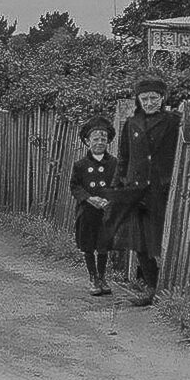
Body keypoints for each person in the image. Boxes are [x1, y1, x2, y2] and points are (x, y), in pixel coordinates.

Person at [111, 76, 181, 307]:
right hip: (136, 190)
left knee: (161, 238)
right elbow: (123, 157)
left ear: (162, 98)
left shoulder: (173, 121)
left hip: (162, 189)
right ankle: (152, 287)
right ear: (138, 100)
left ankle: (169, 287)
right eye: (145, 98)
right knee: (139, 240)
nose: (150, 102)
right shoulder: (131, 124)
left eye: (154, 98)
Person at [70, 115, 118, 296]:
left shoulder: (114, 163)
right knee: (89, 245)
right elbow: (75, 186)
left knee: (104, 245)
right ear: (87, 141)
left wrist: (109, 200)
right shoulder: (80, 165)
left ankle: (103, 277)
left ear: (108, 142)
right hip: (87, 211)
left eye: (103, 139)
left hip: (106, 212)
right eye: (95, 139)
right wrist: (90, 199)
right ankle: (93, 278)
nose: (99, 142)